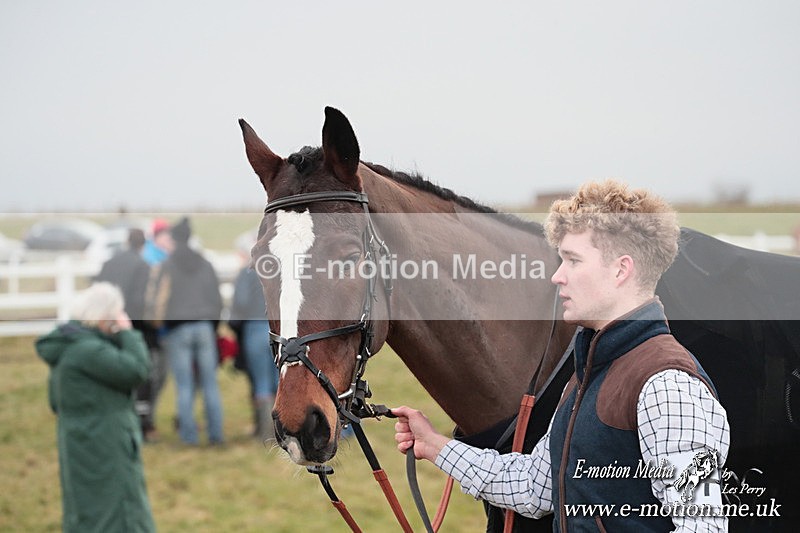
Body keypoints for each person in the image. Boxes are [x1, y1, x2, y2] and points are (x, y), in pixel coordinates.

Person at [394, 180, 731, 532]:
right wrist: (434, 446)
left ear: (621, 269)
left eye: (572, 260)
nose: (557, 277)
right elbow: (534, 487)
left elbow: (703, 526)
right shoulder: (587, 373)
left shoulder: (668, 385)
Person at [36, 282, 156, 533]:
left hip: (82, 441)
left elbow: (54, 400)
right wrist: (128, 333)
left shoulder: (70, 346)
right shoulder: (88, 350)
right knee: (113, 511)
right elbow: (136, 370)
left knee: (88, 510)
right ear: (106, 317)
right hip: (105, 444)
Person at [151, 217, 225, 446]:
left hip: (177, 329)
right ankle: (216, 435)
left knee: (184, 386)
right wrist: (212, 327)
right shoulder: (205, 263)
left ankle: (189, 436)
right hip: (204, 327)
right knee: (210, 384)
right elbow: (217, 299)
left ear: (174, 238)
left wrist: (159, 326)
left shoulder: (167, 264)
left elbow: (158, 301)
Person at [94, 228, 160, 440]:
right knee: (140, 376)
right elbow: (142, 301)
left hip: (106, 325)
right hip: (133, 328)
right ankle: (141, 425)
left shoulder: (109, 263)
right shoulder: (143, 266)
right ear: (143, 244)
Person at [229, 235, 279, 442]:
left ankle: (265, 434)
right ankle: (282, 432)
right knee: (279, 383)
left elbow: (239, 302)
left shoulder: (246, 272)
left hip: (254, 329)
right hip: (277, 330)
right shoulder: (278, 268)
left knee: (261, 383)